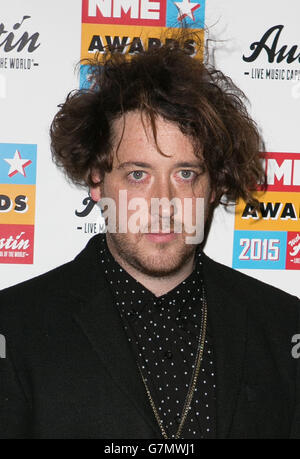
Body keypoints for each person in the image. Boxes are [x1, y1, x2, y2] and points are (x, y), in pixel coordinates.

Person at [0, 31, 299, 440]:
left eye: (185, 174)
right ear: (97, 182)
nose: (163, 202)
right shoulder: (15, 328)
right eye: (138, 174)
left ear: (215, 188)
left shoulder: (284, 327)